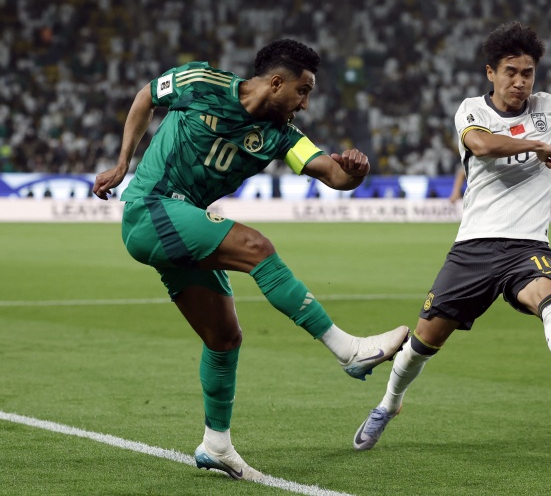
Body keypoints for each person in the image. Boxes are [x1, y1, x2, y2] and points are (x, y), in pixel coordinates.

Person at [92, 39, 409, 480]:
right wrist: (122, 163)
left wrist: (355, 173)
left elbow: (332, 173)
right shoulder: (201, 81)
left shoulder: (282, 135)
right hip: (151, 208)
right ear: (276, 83)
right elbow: (147, 95)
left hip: (183, 224)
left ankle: (216, 444)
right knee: (256, 247)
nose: (305, 103)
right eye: (303, 91)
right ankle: (347, 351)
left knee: (224, 338)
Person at [352, 22, 551, 451]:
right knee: (423, 343)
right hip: (473, 247)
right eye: (511, 72)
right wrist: (538, 146)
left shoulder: (548, 108)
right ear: (491, 72)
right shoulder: (472, 110)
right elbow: (482, 144)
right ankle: (388, 404)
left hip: (528, 246)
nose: (520, 81)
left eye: (528, 73)